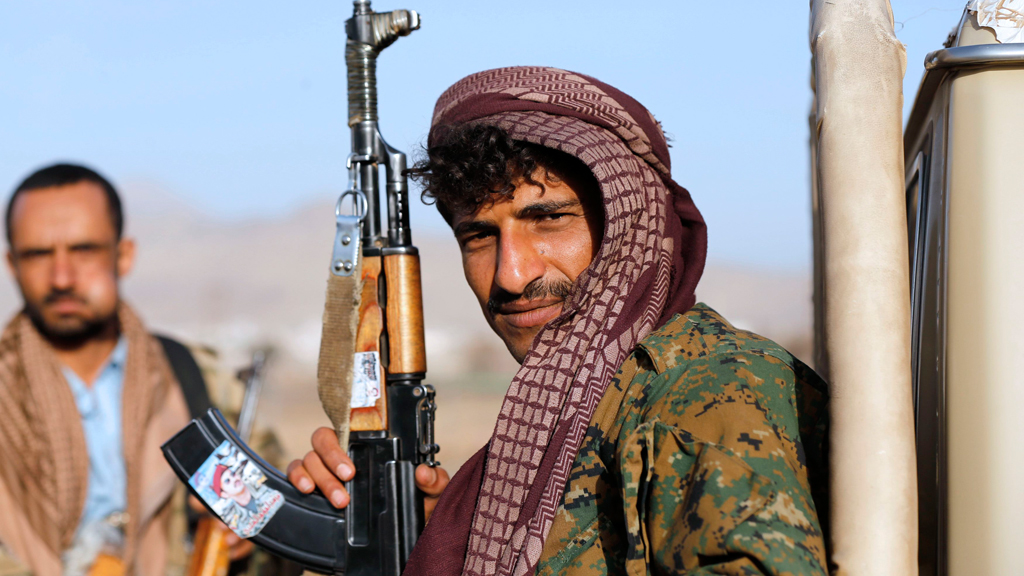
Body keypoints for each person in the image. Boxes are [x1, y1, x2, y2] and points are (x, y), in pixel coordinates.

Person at [287, 67, 830, 575]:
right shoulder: (566, 414)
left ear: (630, 222)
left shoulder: (711, 392)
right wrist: (421, 534)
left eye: (548, 219)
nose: (511, 275)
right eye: (479, 236)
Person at [0, 164, 253, 575]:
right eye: (38, 254)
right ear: (12, 264)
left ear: (124, 255)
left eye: (83, 250)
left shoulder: (198, 382)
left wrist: (250, 538)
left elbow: (284, 549)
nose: (61, 277)